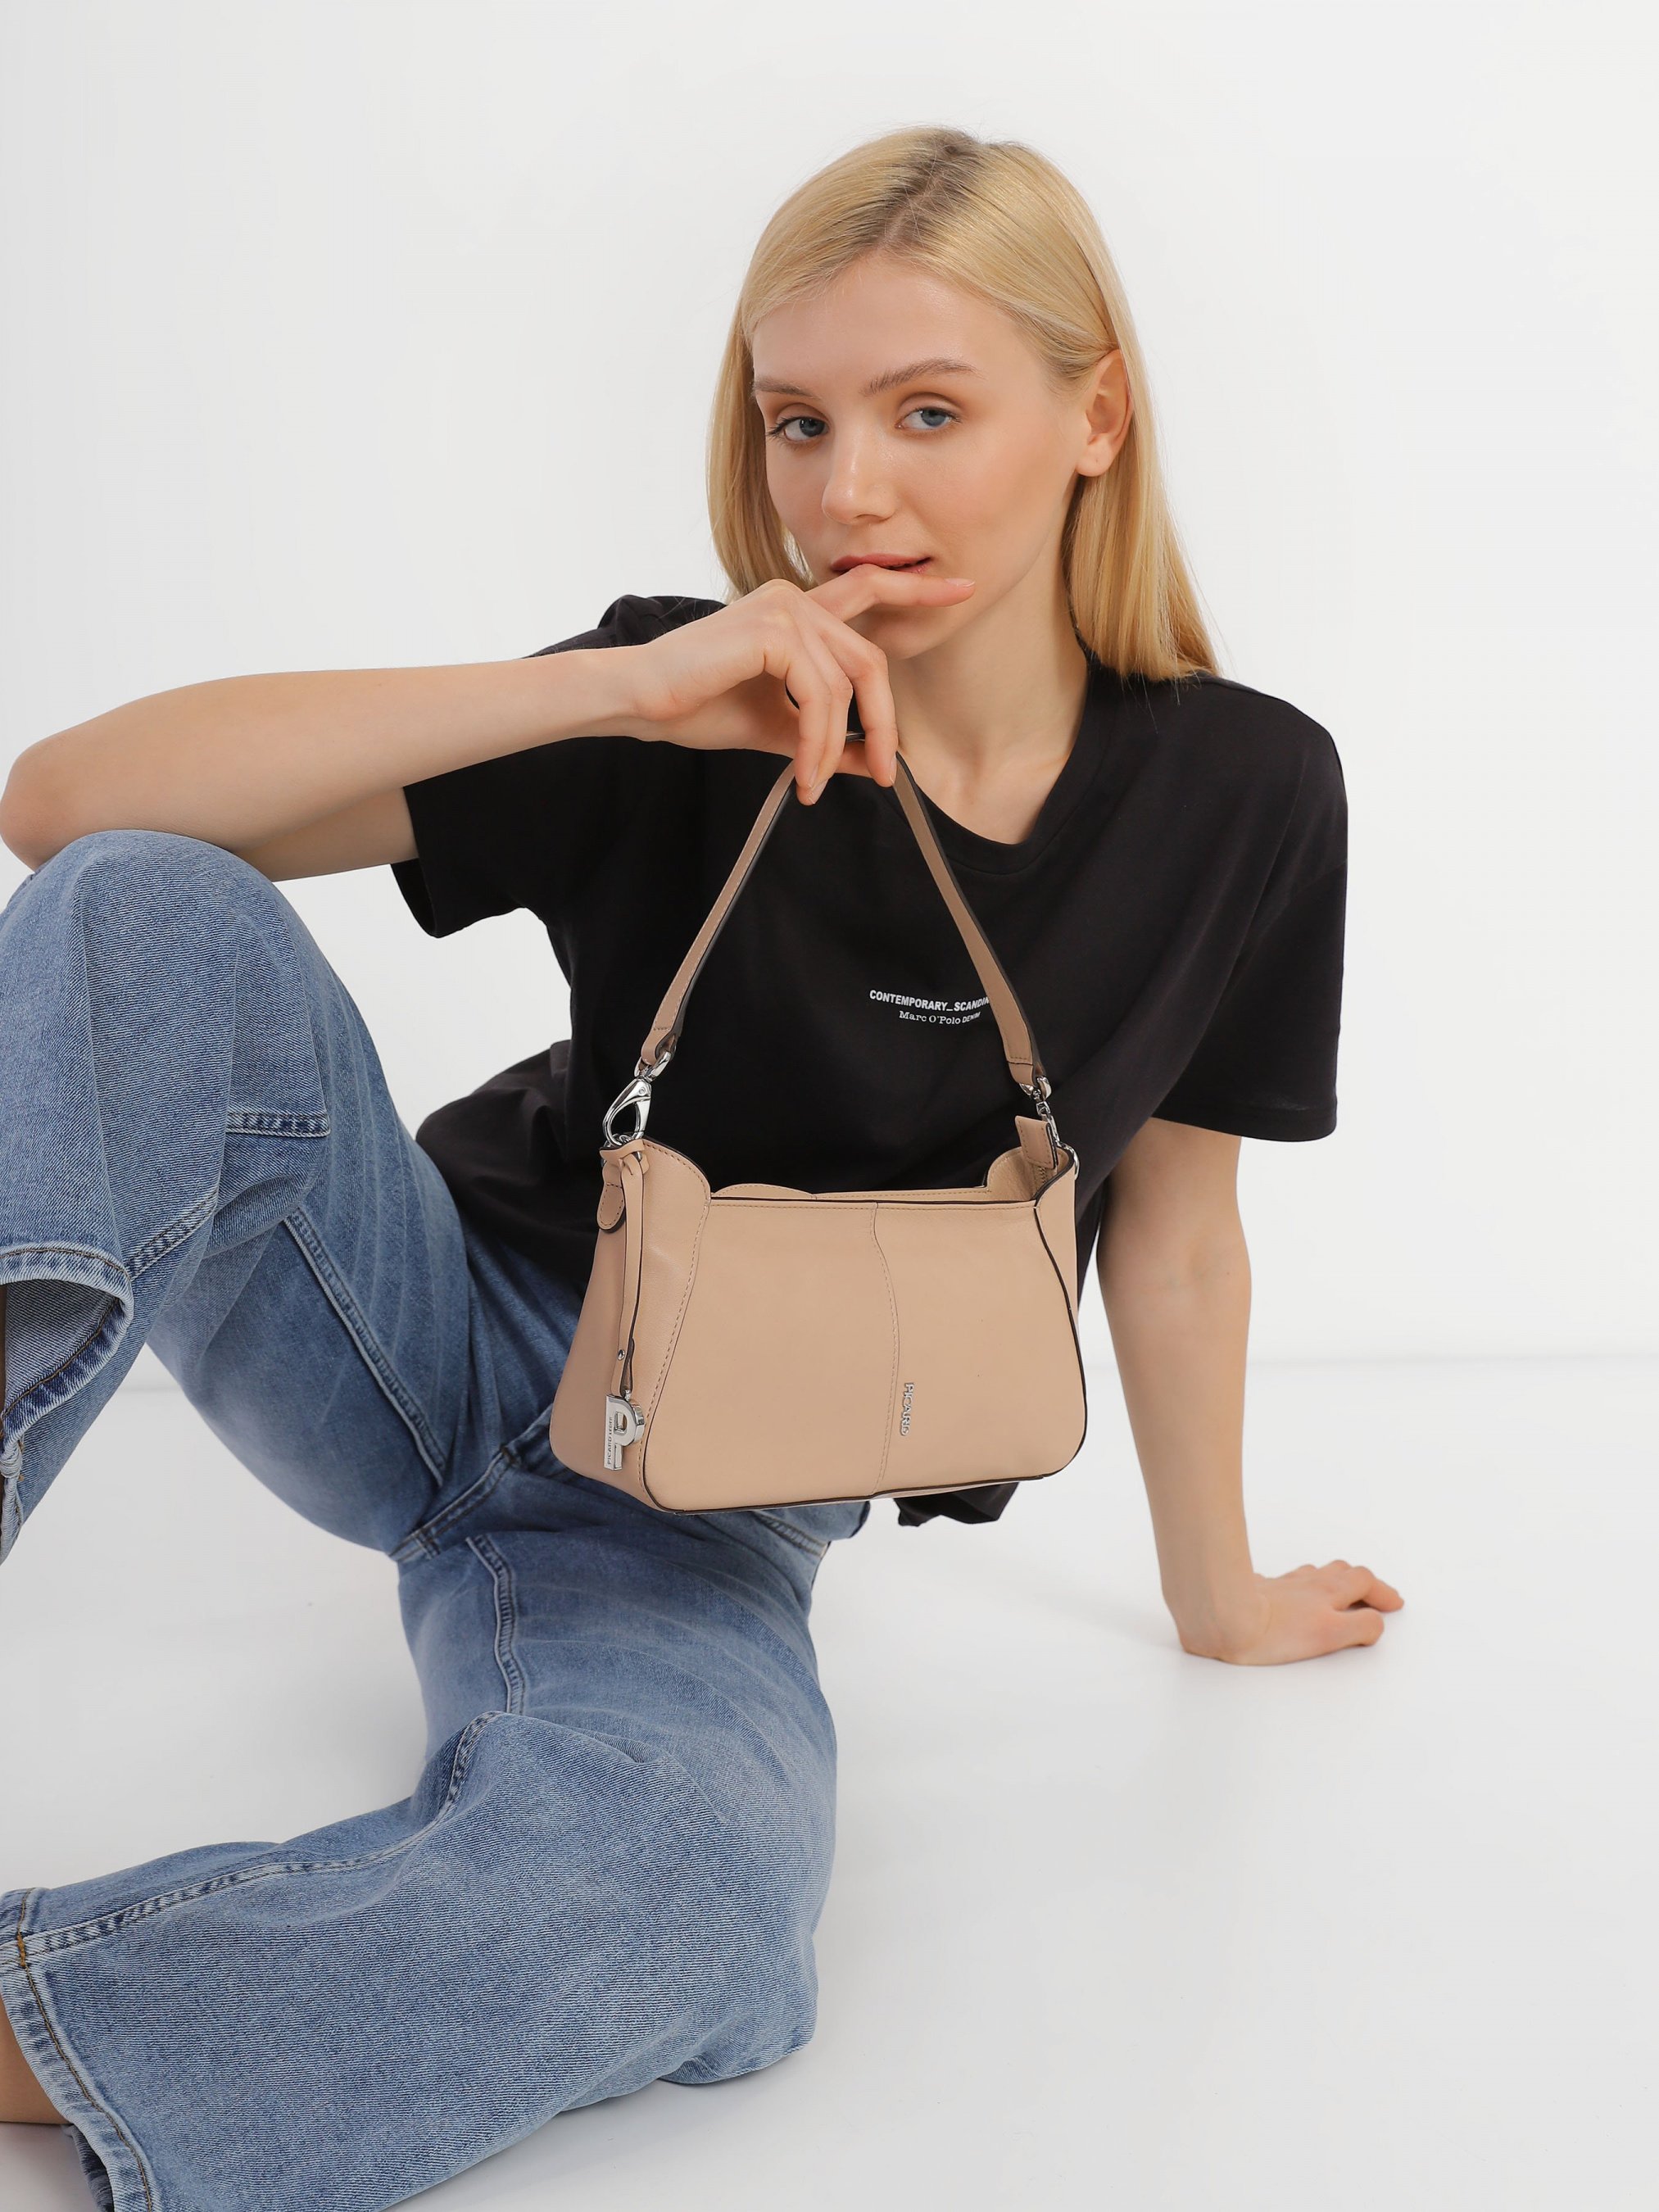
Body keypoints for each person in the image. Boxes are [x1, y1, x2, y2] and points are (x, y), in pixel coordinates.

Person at [0, 124, 1402, 2210]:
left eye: (928, 412)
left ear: (1094, 415)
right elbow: (69, 811)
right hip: (405, 1315)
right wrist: (620, 691)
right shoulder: (690, 695)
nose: (848, 492)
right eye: (798, 421)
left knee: (700, 1912)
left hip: (688, 1511)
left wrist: (1218, 1597)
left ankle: (60, 2020)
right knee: (146, 908)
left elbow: (1179, 1236)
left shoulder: (1245, 793)